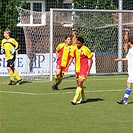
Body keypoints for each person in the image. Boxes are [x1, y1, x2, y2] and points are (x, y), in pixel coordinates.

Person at [66, 36, 93, 105]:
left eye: (79, 43)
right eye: (77, 43)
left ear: (82, 43)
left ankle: (74, 99)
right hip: (77, 69)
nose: (77, 44)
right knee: (79, 84)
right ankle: (83, 98)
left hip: (84, 69)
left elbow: (91, 59)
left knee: (80, 83)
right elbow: (72, 57)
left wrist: (89, 70)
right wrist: (67, 66)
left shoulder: (85, 49)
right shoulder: (74, 48)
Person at [115, 36, 133, 104]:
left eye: (127, 42)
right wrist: (119, 59)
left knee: (128, 84)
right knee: (128, 84)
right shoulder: (130, 50)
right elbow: (127, 58)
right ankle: (124, 100)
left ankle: (124, 100)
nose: (126, 43)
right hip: (131, 71)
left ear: (129, 42)